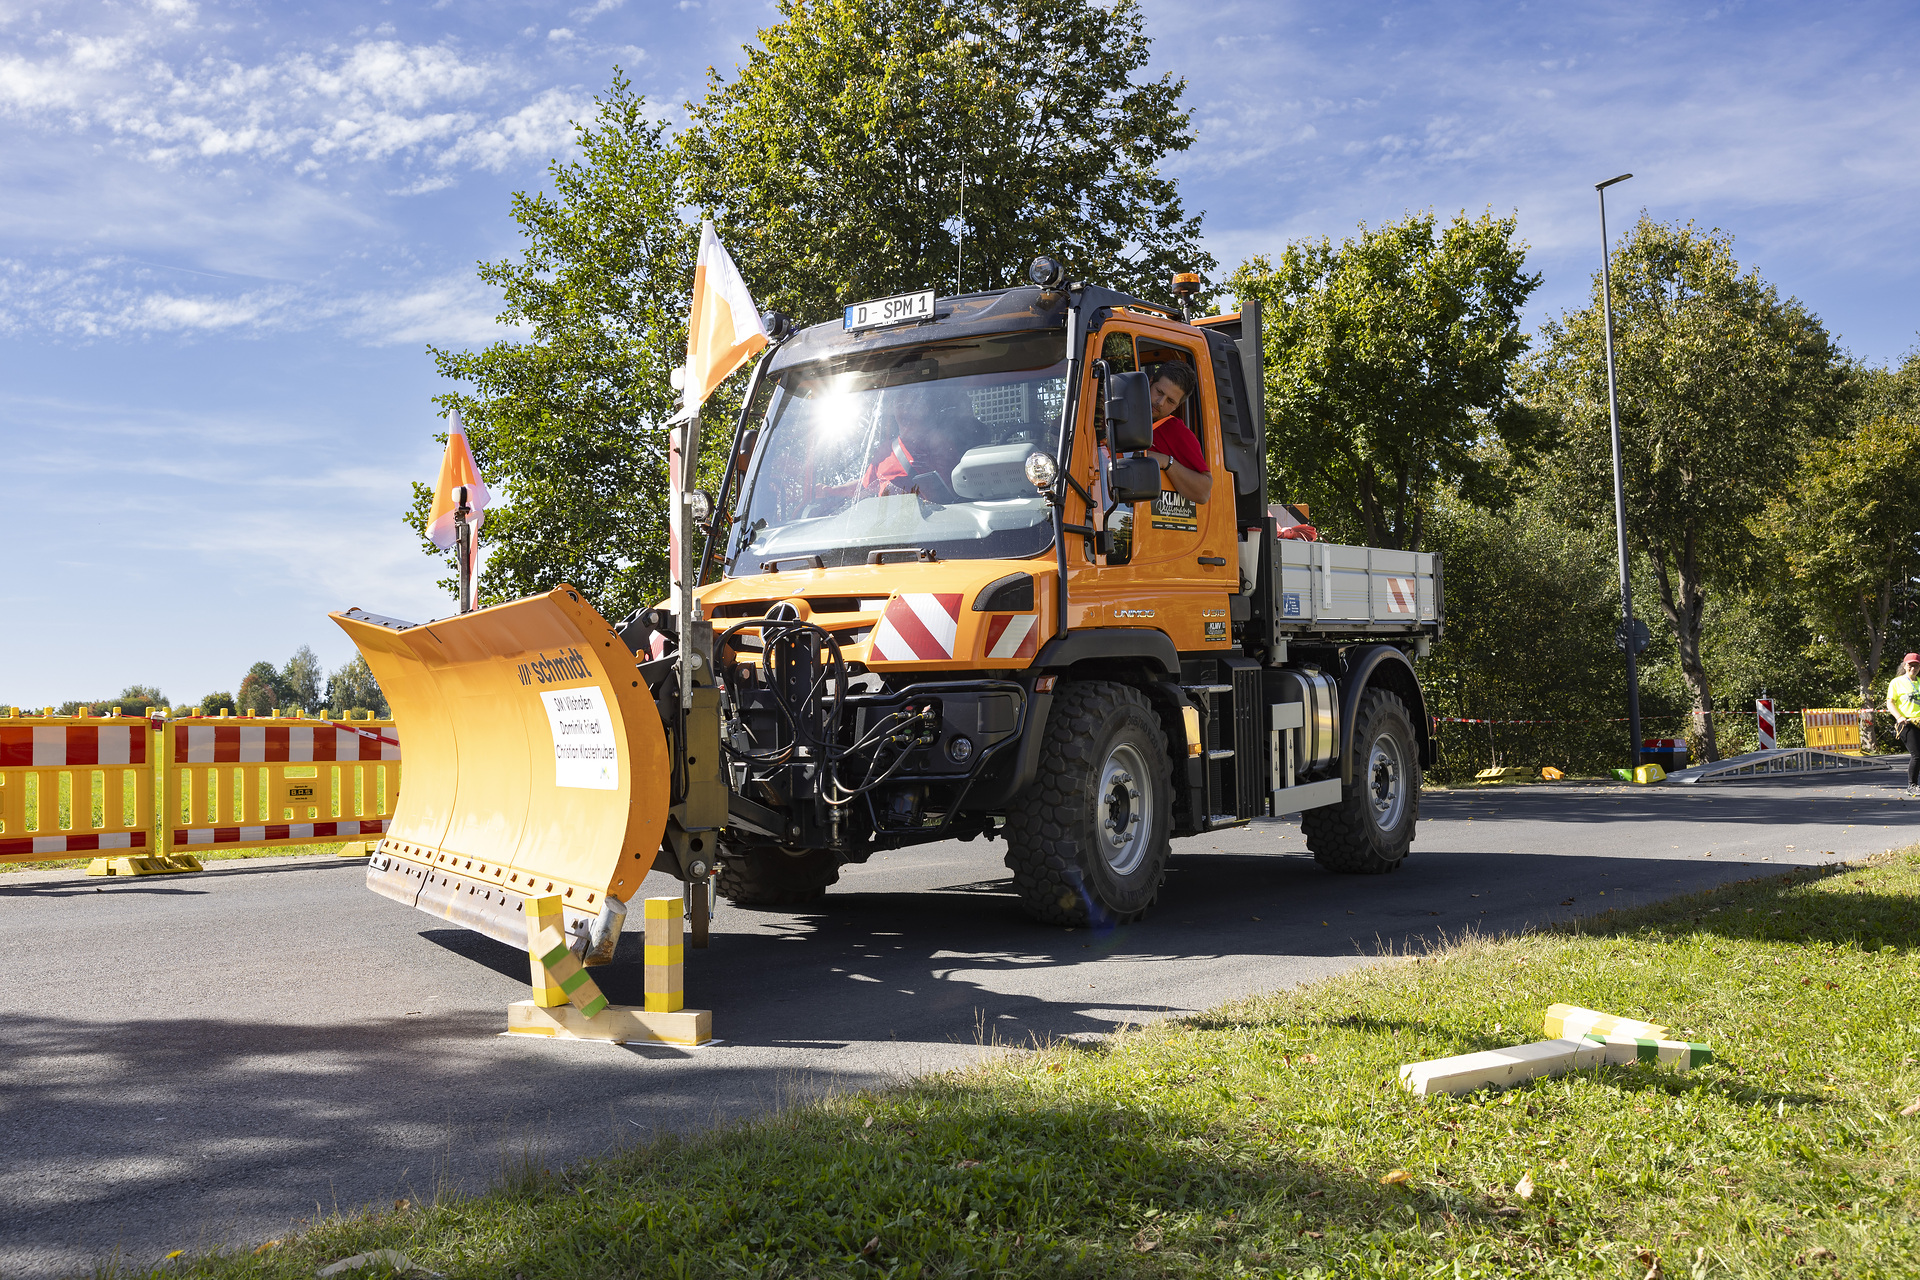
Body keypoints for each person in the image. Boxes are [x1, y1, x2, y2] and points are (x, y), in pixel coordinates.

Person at [1139, 361, 1212, 504]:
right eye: (1159, 392)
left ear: (1177, 406)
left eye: (1170, 401)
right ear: (1150, 382)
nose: (1160, 402)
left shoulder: (1176, 432)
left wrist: (1166, 461)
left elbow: (1204, 493)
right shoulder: (1119, 412)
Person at [1887, 652, 1920, 795]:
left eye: (1916, 665)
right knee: (1917, 754)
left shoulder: (1919, 682)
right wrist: (1899, 717)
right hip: (1906, 723)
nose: (1913, 668)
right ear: (1905, 666)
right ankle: (1911, 785)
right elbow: (1890, 702)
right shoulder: (1896, 682)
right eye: (1910, 665)